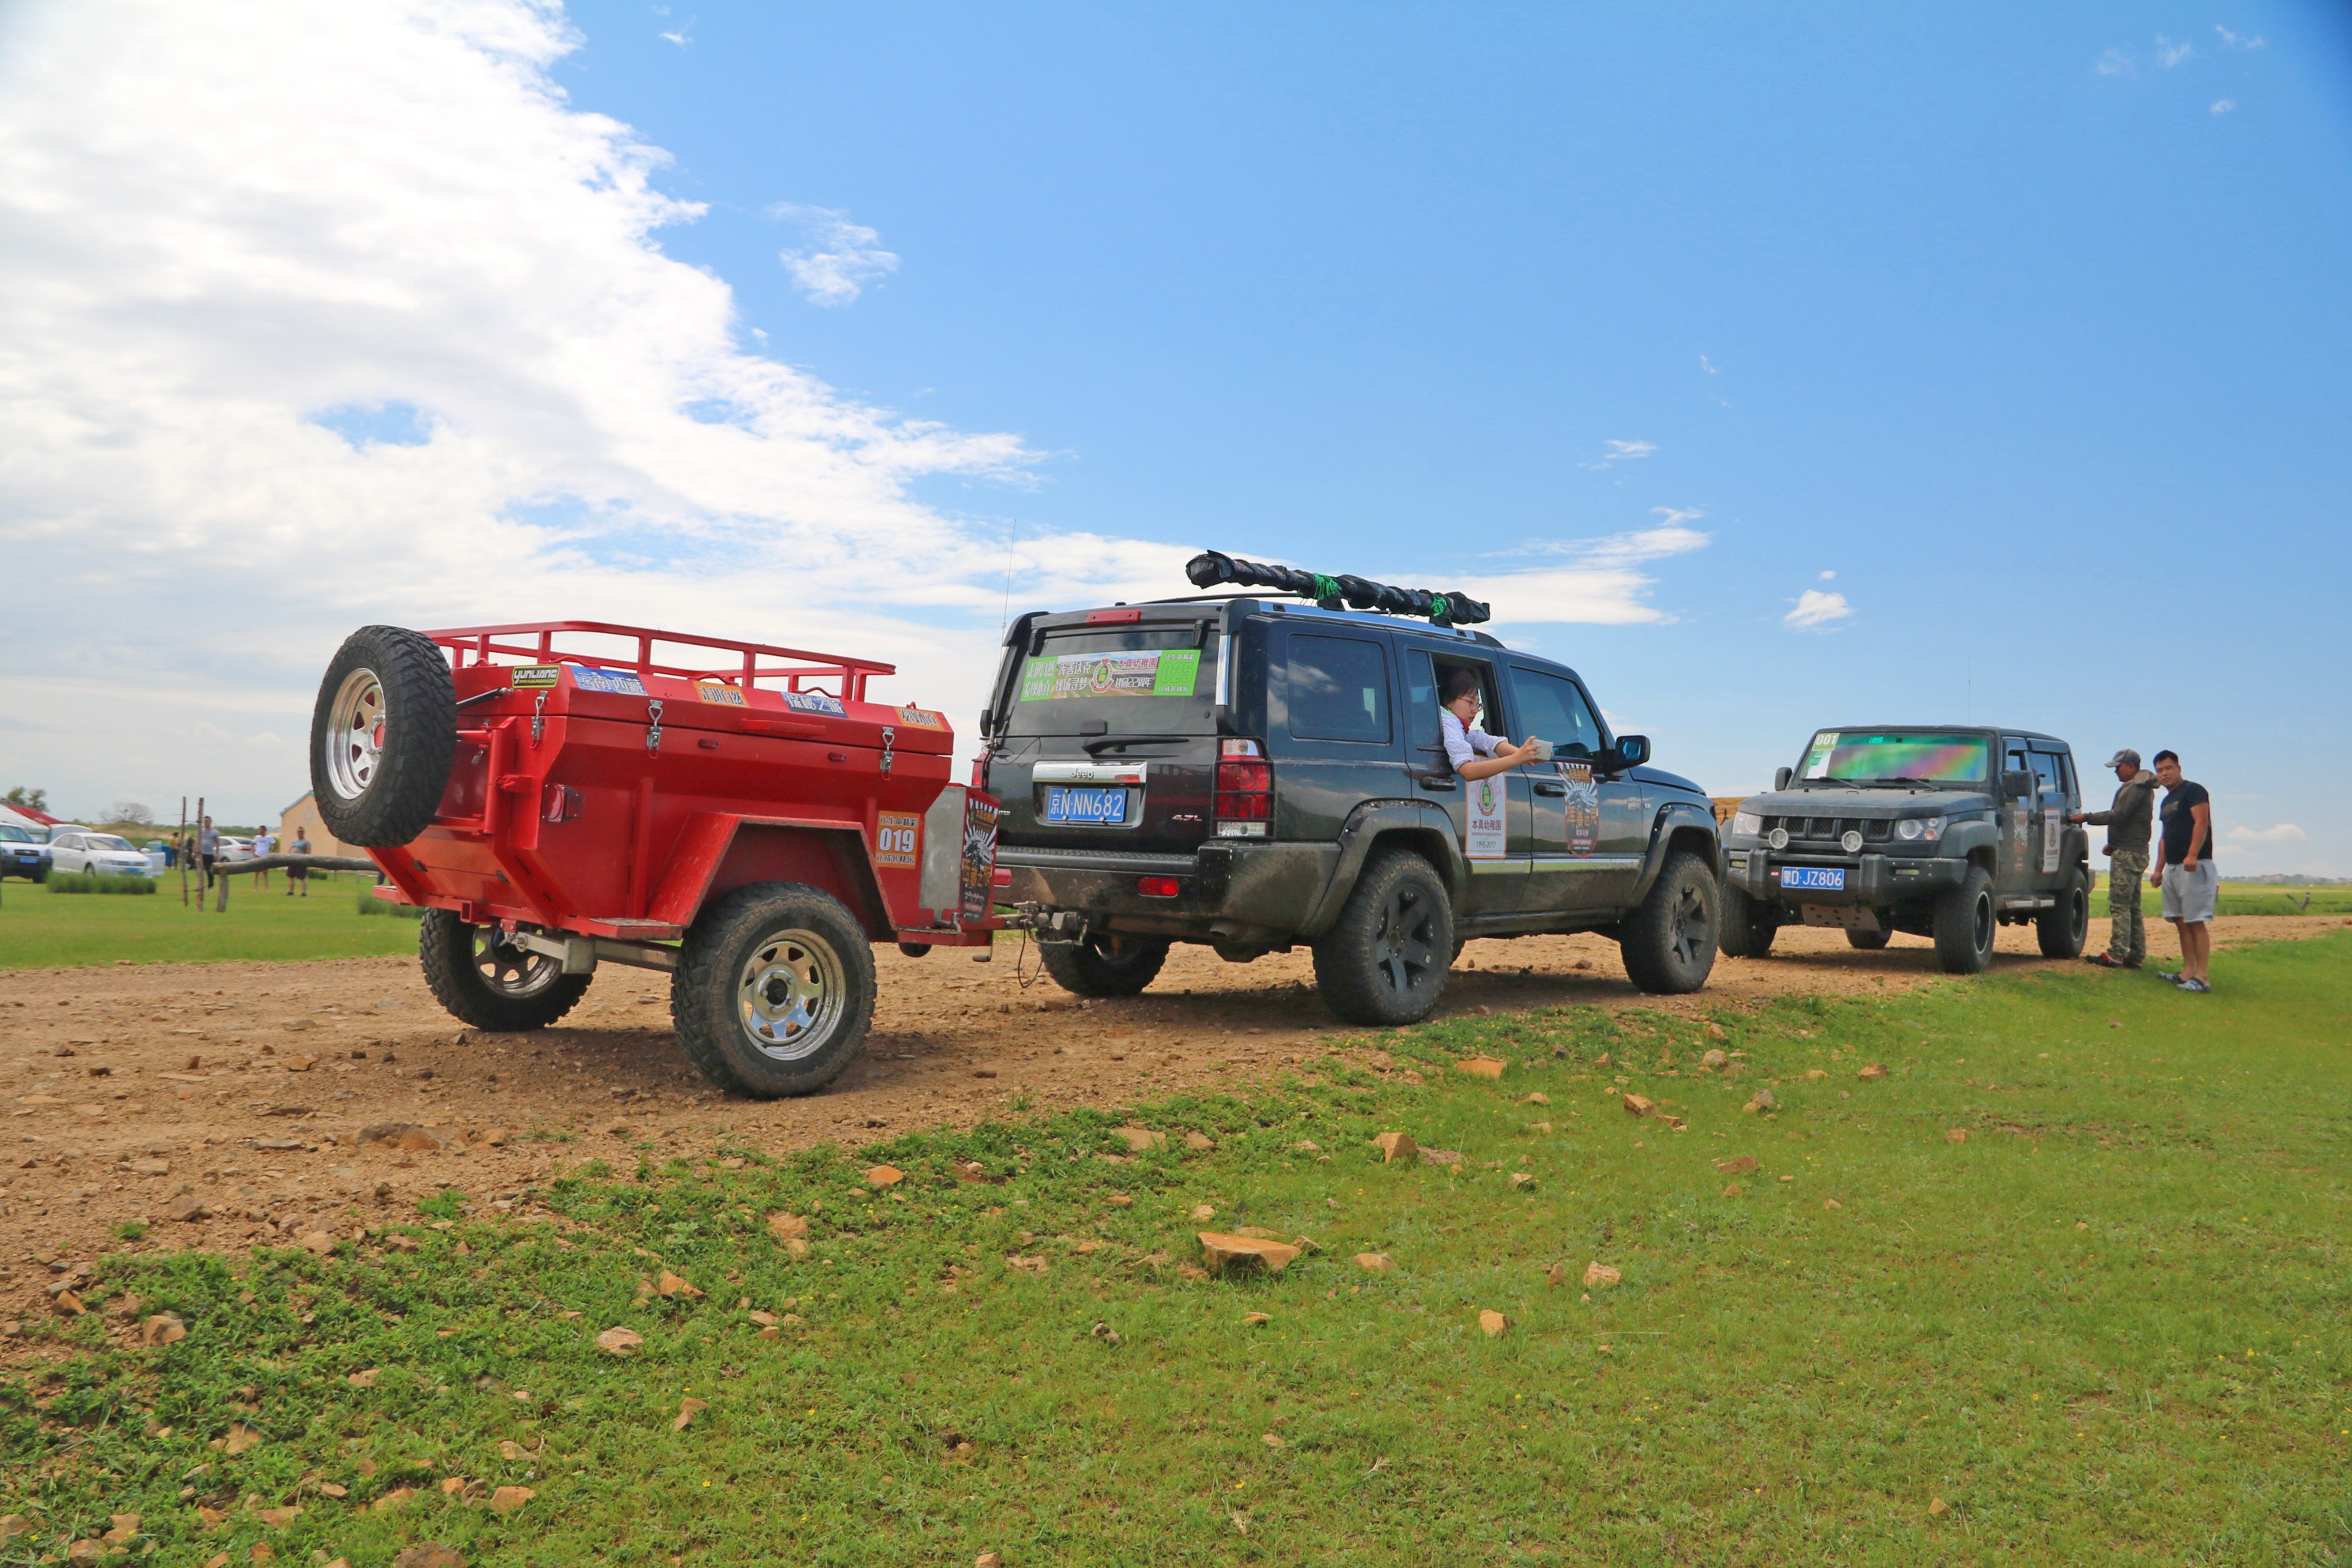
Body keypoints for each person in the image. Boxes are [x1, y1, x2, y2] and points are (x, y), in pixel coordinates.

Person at [2070, 748, 2157, 970]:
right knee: (2133, 906)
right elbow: (2131, 820)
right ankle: (2136, 955)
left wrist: (2086, 818)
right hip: (2136, 850)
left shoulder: (2133, 787)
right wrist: (2114, 843)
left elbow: (2118, 816)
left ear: (2131, 766)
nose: (2116, 771)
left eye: (2118, 767)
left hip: (2127, 855)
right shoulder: (2142, 786)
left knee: (2119, 905)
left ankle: (2116, 954)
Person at [2147, 749, 2215, 993]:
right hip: (2173, 868)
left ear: (2178, 768)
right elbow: (2164, 837)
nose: (2164, 773)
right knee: (2179, 920)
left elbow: (2201, 822)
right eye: (2160, 770)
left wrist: (2193, 854)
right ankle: (2187, 972)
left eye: (2168, 768)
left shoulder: (2194, 791)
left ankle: (2203, 977)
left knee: (2195, 921)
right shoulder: (2166, 801)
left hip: (2194, 866)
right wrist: (2158, 869)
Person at [1438, 668, 1537, 780]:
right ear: (1448, 701)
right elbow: (1467, 771)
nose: (1475, 710)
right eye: (1470, 702)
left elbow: (1484, 740)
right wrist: (1517, 758)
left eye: (1477, 704)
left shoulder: (1454, 726)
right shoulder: (1449, 723)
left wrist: (1526, 755)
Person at [286, 824, 310, 897]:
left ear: (304, 833)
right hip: (292, 860)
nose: (300, 833)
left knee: (302, 878)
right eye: (299, 831)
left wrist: (305, 860)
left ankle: (303, 893)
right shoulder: (294, 841)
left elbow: (308, 852)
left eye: (301, 832)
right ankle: (291, 891)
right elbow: (291, 849)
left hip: (301, 861)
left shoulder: (306, 842)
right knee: (291, 876)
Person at [251, 826, 275, 891]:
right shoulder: (257, 837)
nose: (259, 831)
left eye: (260, 830)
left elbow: (275, 845)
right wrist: (253, 852)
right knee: (256, 873)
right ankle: (255, 888)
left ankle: (266, 888)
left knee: (265, 873)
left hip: (265, 856)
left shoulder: (268, 837)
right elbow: (252, 844)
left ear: (264, 830)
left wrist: (271, 853)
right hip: (257, 855)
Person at [197, 816, 218, 888]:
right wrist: (195, 852)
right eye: (205, 821)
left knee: (210, 871)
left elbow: (217, 843)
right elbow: (197, 841)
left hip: (209, 854)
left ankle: (210, 886)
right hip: (201, 853)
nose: (206, 822)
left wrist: (216, 853)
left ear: (210, 822)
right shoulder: (201, 831)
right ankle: (200, 885)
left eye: (207, 821)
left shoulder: (215, 832)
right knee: (200, 870)